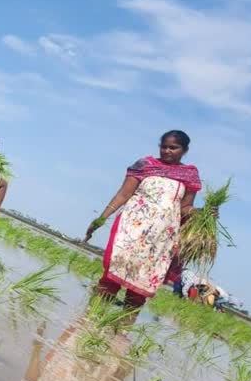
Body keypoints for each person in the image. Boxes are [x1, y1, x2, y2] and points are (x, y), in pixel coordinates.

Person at [84, 130, 203, 308]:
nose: (167, 151)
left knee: (141, 284)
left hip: (160, 238)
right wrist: (102, 218)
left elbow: (184, 209)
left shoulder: (189, 175)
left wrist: (202, 213)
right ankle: (88, 319)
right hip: (131, 230)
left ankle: (121, 331)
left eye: (173, 147)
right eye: (164, 147)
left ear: (184, 150)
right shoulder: (145, 165)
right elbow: (124, 194)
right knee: (113, 275)